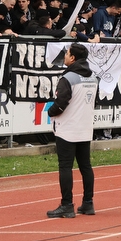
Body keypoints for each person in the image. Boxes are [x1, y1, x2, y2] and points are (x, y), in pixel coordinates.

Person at [45, 44, 99, 218]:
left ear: (73, 58)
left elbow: (61, 103)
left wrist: (50, 112)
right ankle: (88, 203)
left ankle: (67, 205)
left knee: (65, 167)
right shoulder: (93, 77)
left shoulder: (67, 78)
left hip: (67, 128)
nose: (65, 56)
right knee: (85, 166)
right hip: (85, 127)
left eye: (67, 54)